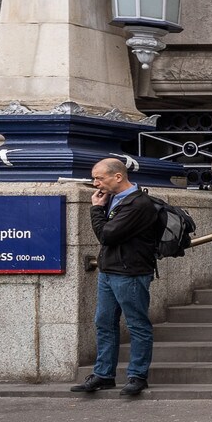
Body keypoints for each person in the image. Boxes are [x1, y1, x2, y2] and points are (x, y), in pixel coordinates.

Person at [71, 156, 163, 397]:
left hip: (130, 273)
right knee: (104, 323)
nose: (95, 184)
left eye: (99, 178)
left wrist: (96, 210)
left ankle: (137, 376)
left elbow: (108, 235)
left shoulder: (138, 204)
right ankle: (103, 374)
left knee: (137, 324)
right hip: (109, 271)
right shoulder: (114, 199)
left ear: (118, 176)